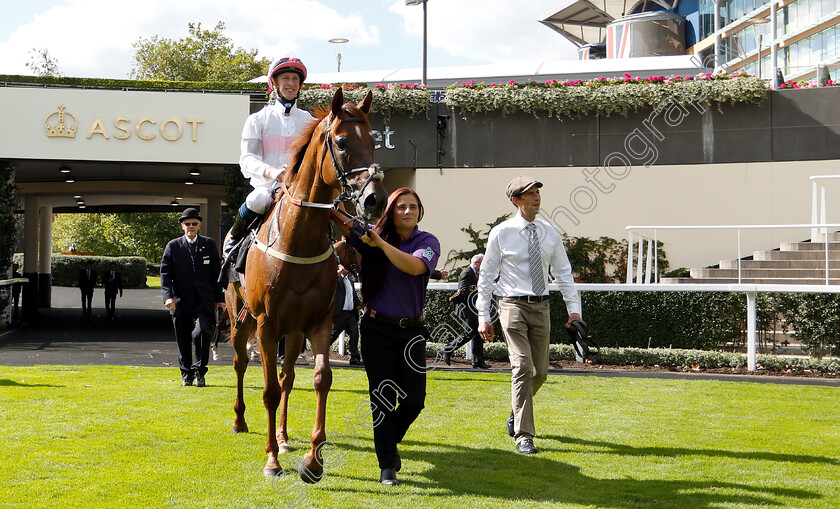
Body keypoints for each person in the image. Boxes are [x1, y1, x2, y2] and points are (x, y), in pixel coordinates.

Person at [340, 187, 440, 487]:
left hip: (411, 332)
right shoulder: (371, 235)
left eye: (413, 206)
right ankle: (387, 465)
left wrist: (380, 243)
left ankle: (387, 441)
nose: (408, 211)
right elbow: (340, 217)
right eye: (401, 207)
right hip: (376, 330)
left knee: (414, 401)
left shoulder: (428, 242)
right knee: (382, 399)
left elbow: (414, 267)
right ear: (391, 211)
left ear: (420, 211)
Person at [476, 176, 582, 455]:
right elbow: (486, 276)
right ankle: (524, 435)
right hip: (511, 305)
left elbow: (563, 274)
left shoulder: (550, 232)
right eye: (529, 194)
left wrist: (574, 311)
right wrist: (482, 316)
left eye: (537, 193)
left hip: (542, 306)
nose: (536, 198)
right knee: (522, 366)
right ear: (516, 201)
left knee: (541, 373)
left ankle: (516, 410)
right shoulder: (502, 232)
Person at [222, 56, 315, 267]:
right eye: (285, 78)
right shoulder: (258, 119)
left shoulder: (309, 121)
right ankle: (234, 242)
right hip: (268, 185)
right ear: (275, 84)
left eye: (294, 79)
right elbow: (246, 159)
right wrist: (272, 172)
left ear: (300, 84)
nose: (290, 83)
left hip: (299, 187)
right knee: (257, 201)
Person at [160, 208, 225, 388]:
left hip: (204, 300)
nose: (191, 226)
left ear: (199, 225)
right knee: (183, 339)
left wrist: (220, 298)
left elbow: (216, 274)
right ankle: (186, 374)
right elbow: (165, 274)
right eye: (187, 224)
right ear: (182, 226)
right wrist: (168, 297)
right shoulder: (173, 246)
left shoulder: (209, 244)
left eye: (194, 223)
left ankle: (199, 372)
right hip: (181, 301)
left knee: (202, 332)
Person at [443, 254, 491, 369]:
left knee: (478, 335)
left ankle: (478, 361)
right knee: (469, 333)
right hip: (467, 309)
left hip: (474, 309)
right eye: (483, 263)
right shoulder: (467, 273)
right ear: (476, 263)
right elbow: (463, 291)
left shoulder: (476, 274)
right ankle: (447, 349)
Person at [331, 264, 363, 366]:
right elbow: (328, 284)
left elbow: (353, 296)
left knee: (354, 335)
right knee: (332, 336)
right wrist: (336, 274)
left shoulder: (350, 281)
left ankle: (355, 358)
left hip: (350, 314)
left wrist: (360, 306)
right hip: (339, 314)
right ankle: (319, 354)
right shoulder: (336, 280)